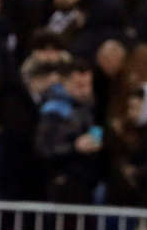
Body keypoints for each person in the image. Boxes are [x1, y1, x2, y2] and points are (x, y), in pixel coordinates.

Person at [35, 58, 103, 204]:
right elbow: (44, 148)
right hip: (63, 185)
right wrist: (75, 147)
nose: (86, 90)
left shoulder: (87, 107)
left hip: (86, 182)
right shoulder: (53, 111)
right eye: (79, 85)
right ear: (65, 83)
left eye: (88, 84)